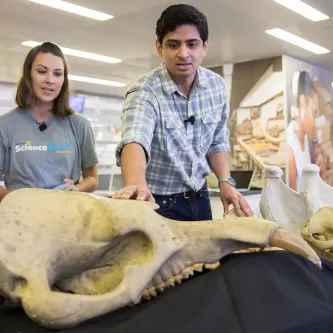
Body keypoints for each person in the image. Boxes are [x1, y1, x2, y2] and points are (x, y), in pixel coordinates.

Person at [113, 4, 253, 220]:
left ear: (205, 47)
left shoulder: (216, 86)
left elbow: (217, 139)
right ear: (159, 48)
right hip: (158, 203)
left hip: (201, 199)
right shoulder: (144, 91)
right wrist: (136, 183)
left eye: (192, 44)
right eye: (173, 45)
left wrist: (225, 181)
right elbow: (135, 138)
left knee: (207, 255)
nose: (183, 53)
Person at [0, 41, 99, 202]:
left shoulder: (80, 125)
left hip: (66, 214)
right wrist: (19, 199)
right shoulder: (5, 125)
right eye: (42, 71)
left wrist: (75, 189)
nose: (50, 80)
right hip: (21, 217)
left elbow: (92, 179)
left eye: (58, 74)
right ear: (28, 74)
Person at [287, 70, 326, 191]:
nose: (315, 123)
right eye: (314, 114)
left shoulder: (305, 140)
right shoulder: (290, 150)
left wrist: (320, 169)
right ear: (302, 102)